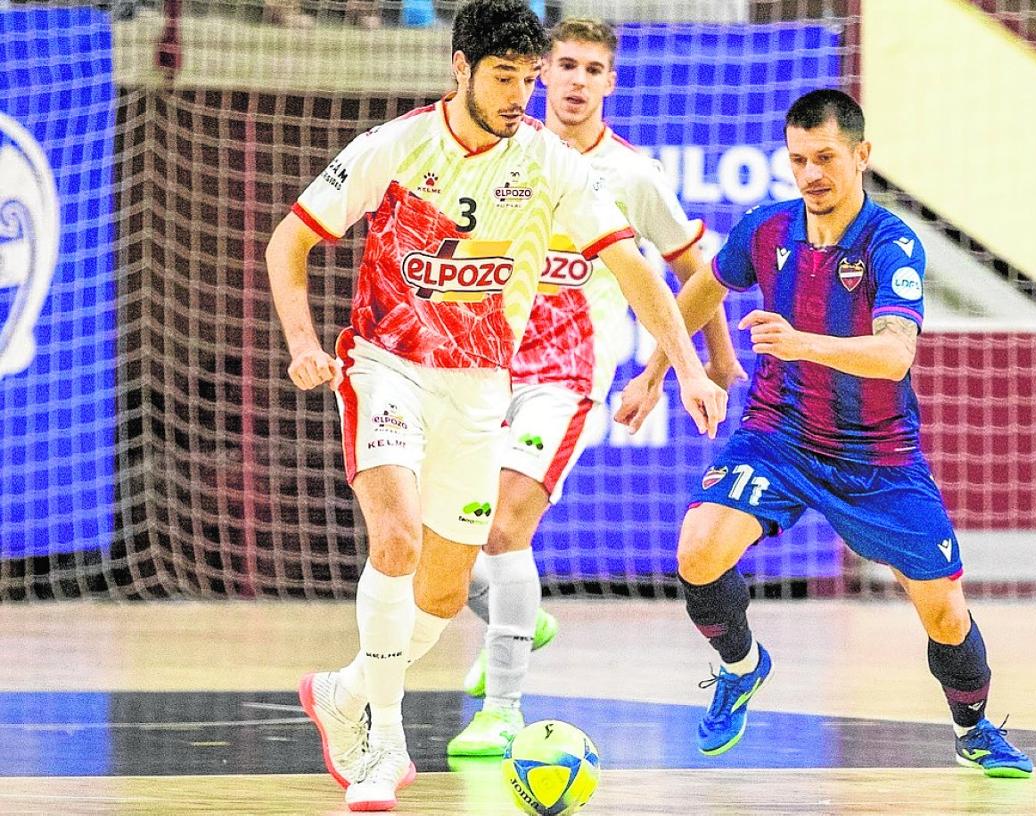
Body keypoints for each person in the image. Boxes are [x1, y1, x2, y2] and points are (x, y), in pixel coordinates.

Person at [265, 1, 726, 810]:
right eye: (505, 78)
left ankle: (343, 693)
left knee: (442, 597)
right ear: (461, 68)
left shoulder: (551, 163)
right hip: (388, 367)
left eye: (529, 78)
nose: (522, 94)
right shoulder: (398, 147)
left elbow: (637, 272)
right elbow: (288, 243)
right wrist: (305, 344)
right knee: (398, 539)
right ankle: (384, 743)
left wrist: (685, 367)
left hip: (482, 390)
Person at [615, 88, 1034, 778]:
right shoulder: (767, 228)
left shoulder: (890, 243)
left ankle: (975, 728)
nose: (811, 173)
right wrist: (660, 368)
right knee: (698, 551)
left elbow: (895, 353)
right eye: (799, 159)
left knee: (944, 614)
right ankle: (741, 666)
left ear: (862, 156)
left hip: (878, 458)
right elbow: (701, 290)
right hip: (778, 434)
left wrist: (799, 343)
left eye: (826, 157)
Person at [446, 17, 746, 757]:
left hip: (569, 370)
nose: (577, 82)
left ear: (611, 82)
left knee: (504, 529)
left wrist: (699, 364)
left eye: (592, 70)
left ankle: (504, 711)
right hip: (481, 366)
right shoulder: (498, 153)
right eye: (566, 66)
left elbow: (694, 269)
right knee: (441, 537)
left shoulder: (634, 175)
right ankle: (520, 618)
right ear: (542, 75)